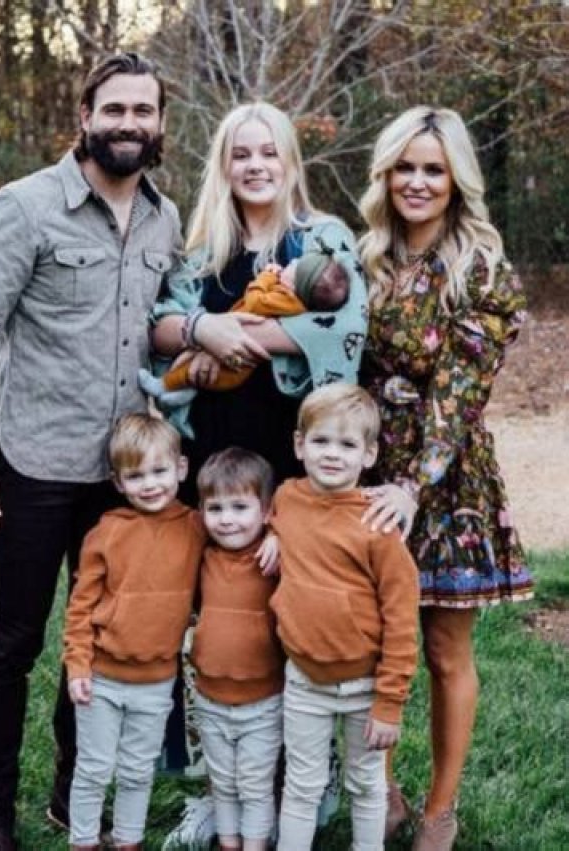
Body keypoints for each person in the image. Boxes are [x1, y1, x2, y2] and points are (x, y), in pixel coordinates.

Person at [0, 52, 181, 851]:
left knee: (103, 641)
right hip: (33, 468)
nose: (129, 124)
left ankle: (74, 799)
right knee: (14, 644)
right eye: (115, 109)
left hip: (123, 478)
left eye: (143, 111)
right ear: (85, 115)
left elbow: (162, 330)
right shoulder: (25, 206)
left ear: (161, 123)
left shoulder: (165, 219)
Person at [151, 101, 367, 845]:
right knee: (218, 621)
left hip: (291, 459)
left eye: (268, 152)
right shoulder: (201, 251)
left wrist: (241, 335)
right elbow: (158, 327)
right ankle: (223, 787)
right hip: (212, 465)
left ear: (289, 161)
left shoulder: (322, 238)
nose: (255, 165)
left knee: (289, 615)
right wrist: (199, 330)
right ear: (224, 164)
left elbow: (348, 323)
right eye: (240, 153)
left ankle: (304, 781)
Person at [358, 106, 534, 850]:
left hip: (447, 475)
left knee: (441, 648)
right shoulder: (367, 257)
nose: (417, 182)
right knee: (371, 639)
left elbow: (460, 390)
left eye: (433, 169)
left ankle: (439, 810)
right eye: (404, 167)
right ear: (385, 174)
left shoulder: (481, 267)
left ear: (456, 178)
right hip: (369, 466)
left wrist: (414, 484)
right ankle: (382, 794)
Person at [268, 383, 419, 851]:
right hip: (303, 680)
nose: (332, 454)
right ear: (299, 445)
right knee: (302, 784)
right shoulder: (287, 499)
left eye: (347, 444)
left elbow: (401, 621)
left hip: (364, 686)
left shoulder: (377, 525)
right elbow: (286, 519)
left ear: (369, 455)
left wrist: (390, 702)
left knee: (366, 784)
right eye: (321, 441)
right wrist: (273, 533)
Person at [63, 414, 205, 851]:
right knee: (93, 768)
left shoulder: (196, 527)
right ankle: (84, 841)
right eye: (136, 476)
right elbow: (80, 606)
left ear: (181, 469)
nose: (150, 484)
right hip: (101, 678)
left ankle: (128, 840)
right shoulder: (106, 532)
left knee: (138, 770)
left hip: (157, 680)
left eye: (159, 471)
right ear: (118, 482)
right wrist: (77, 665)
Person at [189, 448, 284, 851]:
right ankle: (229, 842)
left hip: (262, 702)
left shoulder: (274, 559)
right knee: (223, 782)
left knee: (255, 785)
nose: (227, 519)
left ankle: (255, 844)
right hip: (210, 697)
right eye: (216, 508)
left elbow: (309, 524)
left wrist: (280, 534)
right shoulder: (203, 556)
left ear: (266, 511)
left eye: (240, 507)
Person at [139, 246, 349, 415]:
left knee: (192, 372)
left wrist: (266, 277)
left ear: (294, 284)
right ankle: (181, 391)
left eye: (296, 265)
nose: (292, 261)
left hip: (237, 372)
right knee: (193, 370)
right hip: (212, 414)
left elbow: (254, 300)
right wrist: (201, 330)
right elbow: (157, 329)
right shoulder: (205, 248)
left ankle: (162, 385)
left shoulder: (287, 298)